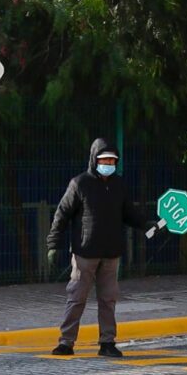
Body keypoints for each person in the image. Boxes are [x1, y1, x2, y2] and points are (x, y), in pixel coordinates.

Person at [47, 138, 145, 358]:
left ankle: (107, 342)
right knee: (76, 297)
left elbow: (130, 214)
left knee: (108, 299)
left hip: (111, 255)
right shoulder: (79, 184)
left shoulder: (119, 185)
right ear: (94, 159)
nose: (108, 163)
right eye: (104, 159)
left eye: (112, 160)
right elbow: (61, 215)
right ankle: (66, 342)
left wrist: (147, 225)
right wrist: (53, 244)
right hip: (84, 254)